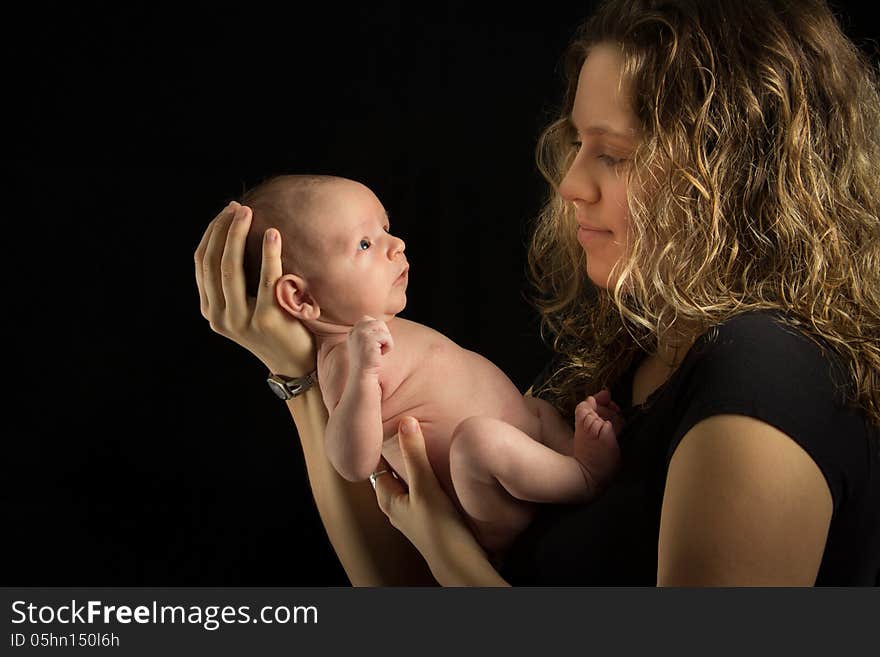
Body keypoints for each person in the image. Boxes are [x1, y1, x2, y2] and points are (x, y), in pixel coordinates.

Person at [195, 0, 880, 586]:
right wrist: (297, 368)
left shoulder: (765, 374)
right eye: (578, 142)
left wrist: (451, 556)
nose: (571, 184)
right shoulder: (649, 344)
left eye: (613, 153)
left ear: (732, 174)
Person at [233, 173, 624, 555]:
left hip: (516, 456)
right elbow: (353, 462)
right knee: (479, 440)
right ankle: (583, 476)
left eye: (386, 229)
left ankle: (569, 454)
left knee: (534, 408)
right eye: (365, 244)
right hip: (487, 496)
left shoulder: (375, 326)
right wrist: (365, 375)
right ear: (301, 298)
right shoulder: (345, 358)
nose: (397, 245)